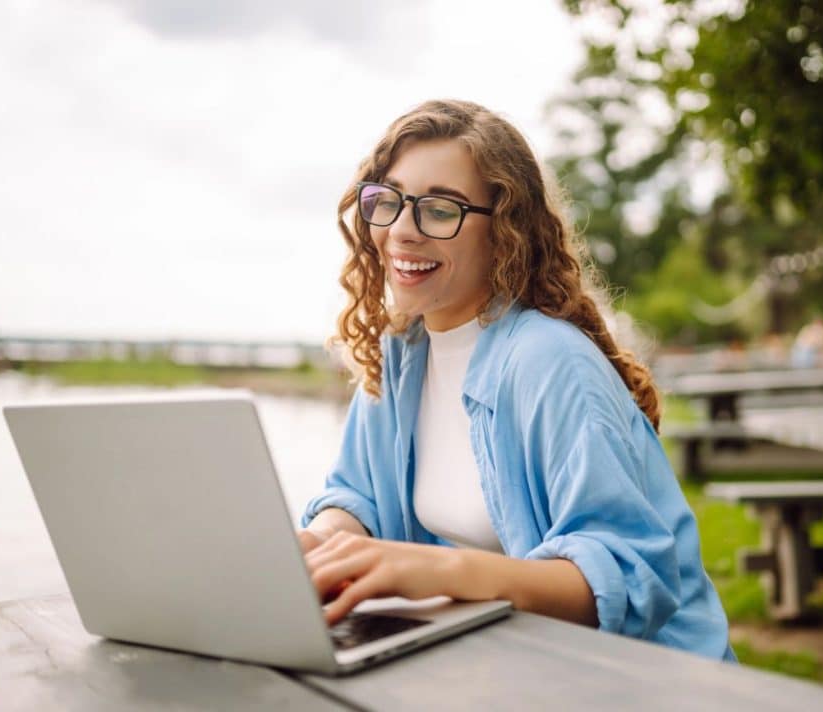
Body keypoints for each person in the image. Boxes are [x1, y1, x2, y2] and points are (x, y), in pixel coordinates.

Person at [298, 99, 733, 661]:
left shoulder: (547, 360)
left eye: (439, 209)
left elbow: (628, 574)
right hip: (507, 665)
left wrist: (444, 571)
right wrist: (323, 542)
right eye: (390, 201)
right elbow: (358, 496)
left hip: (648, 681)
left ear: (503, 230)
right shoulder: (402, 353)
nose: (402, 230)